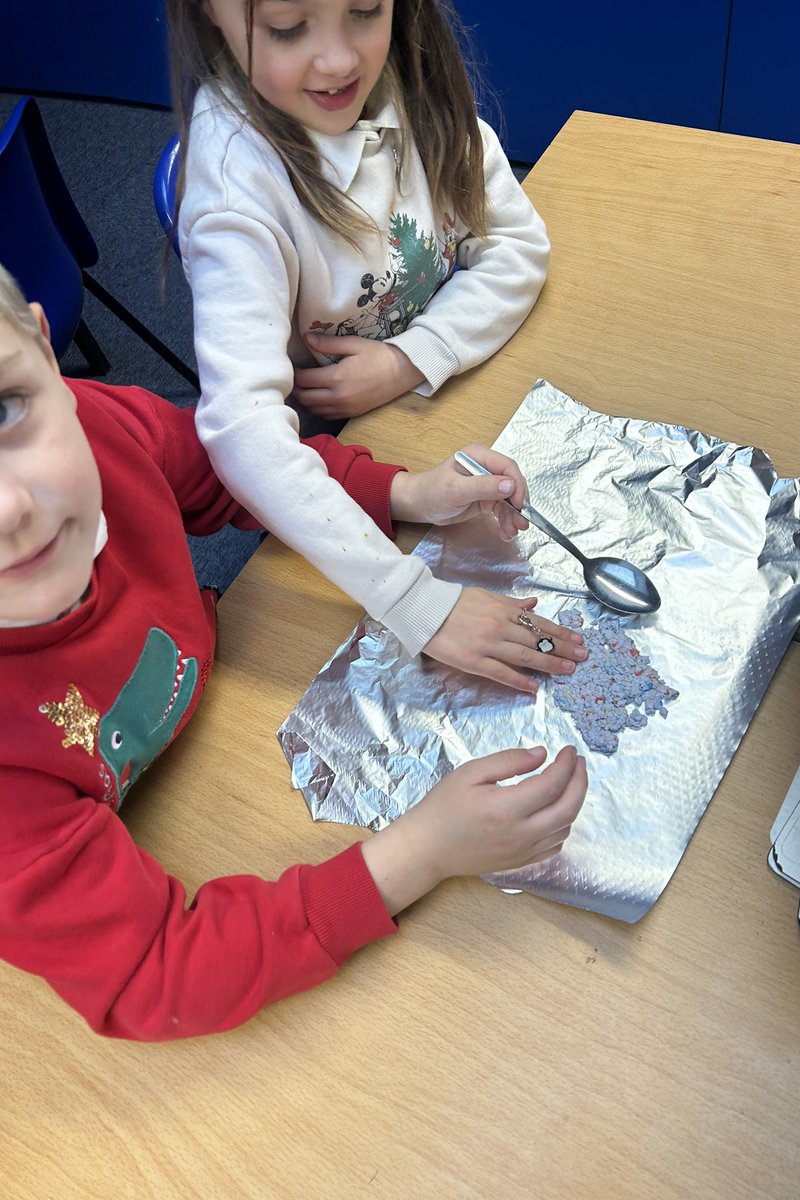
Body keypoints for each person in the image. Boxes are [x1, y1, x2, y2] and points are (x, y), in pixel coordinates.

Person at [0, 265, 587, 1041]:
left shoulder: (101, 428)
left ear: (45, 350)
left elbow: (235, 471)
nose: (12, 510)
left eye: (5, 408)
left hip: (201, 716)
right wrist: (418, 852)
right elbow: (155, 972)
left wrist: (399, 494)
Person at [165, 0, 565, 693]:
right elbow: (242, 430)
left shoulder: (409, 73)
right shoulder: (238, 184)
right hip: (324, 461)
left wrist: (411, 357)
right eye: (289, 27)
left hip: (414, 409)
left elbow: (517, 244)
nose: (341, 60)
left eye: (364, 10)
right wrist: (415, 602)